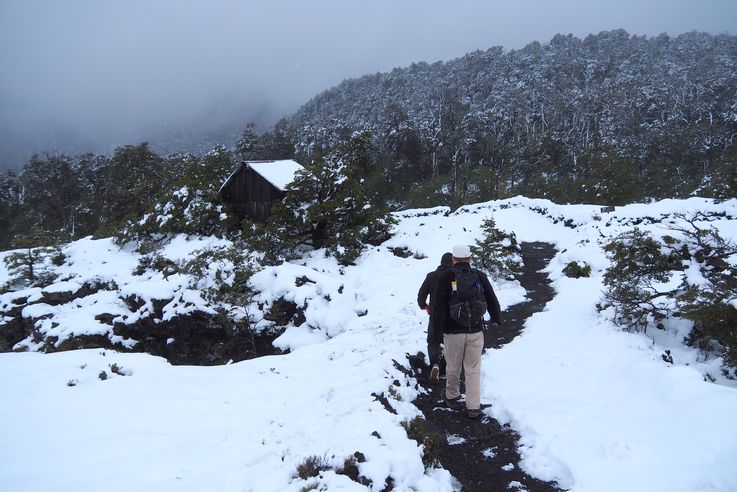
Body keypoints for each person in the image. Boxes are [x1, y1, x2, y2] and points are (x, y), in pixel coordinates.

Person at [431, 244, 501, 419]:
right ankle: (473, 406)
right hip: (475, 330)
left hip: (452, 332)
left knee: (453, 365)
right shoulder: (479, 275)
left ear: (453, 259)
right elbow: (492, 298)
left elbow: (438, 306)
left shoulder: (445, 276)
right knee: (473, 368)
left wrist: (437, 331)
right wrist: (496, 318)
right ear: (470, 259)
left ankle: (452, 397)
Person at [417, 252, 452, 385]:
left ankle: (434, 365)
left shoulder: (431, 276)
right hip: (451, 316)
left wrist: (425, 306)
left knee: (433, 341)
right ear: (452, 262)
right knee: (449, 341)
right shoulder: (454, 276)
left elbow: (421, 295)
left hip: (435, 314)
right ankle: (444, 369)